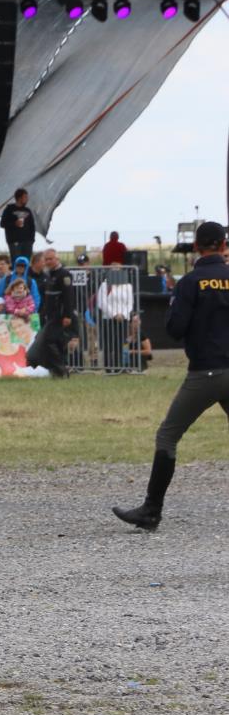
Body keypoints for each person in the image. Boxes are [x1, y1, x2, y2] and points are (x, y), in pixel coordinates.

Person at [113, 220, 229, 530]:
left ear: (195, 247)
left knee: (168, 436)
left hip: (205, 372)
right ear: (224, 245)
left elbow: (175, 329)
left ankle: (151, 511)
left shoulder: (190, 283)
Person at [26, 247, 75, 378]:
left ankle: (60, 369)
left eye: (50, 259)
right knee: (57, 342)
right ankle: (60, 370)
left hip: (59, 315)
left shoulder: (64, 274)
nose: (48, 262)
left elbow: (68, 297)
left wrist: (67, 315)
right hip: (49, 315)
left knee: (49, 341)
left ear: (57, 259)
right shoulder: (48, 274)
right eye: (46, 259)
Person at [0, 188, 37, 263]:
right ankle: (16, 275)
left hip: (27, 242)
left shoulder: (28, 210)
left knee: (26, 263)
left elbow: (32, 226)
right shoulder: (9, 209)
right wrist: (14, 223)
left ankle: (25, 275)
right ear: (19, 198)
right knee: (17, 263)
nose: (27, 199)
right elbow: (2, 224)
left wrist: (32, 240)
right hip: (14, 242)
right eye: (25, 197)